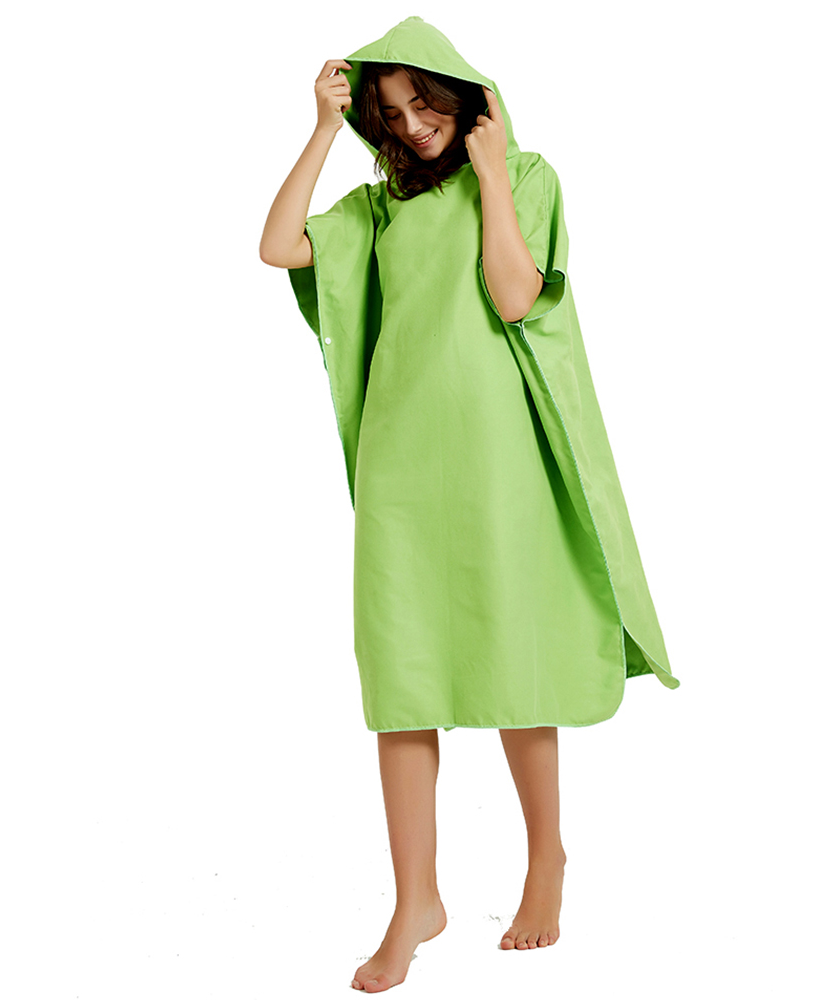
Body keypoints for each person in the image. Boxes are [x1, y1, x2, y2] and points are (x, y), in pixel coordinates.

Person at [260, 16, 680, 993]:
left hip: (500, 463)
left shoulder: (526, 177)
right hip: (401, 471)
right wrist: (321, 131)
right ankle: (416, 899)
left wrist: (491, 175)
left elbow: (514, 295)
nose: (412, 125)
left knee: (510, 658)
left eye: (426, 104)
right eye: (392, 112)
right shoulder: (378, 208)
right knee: (401, 677)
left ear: (464, 99)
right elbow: (278, 247)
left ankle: (545, 860)